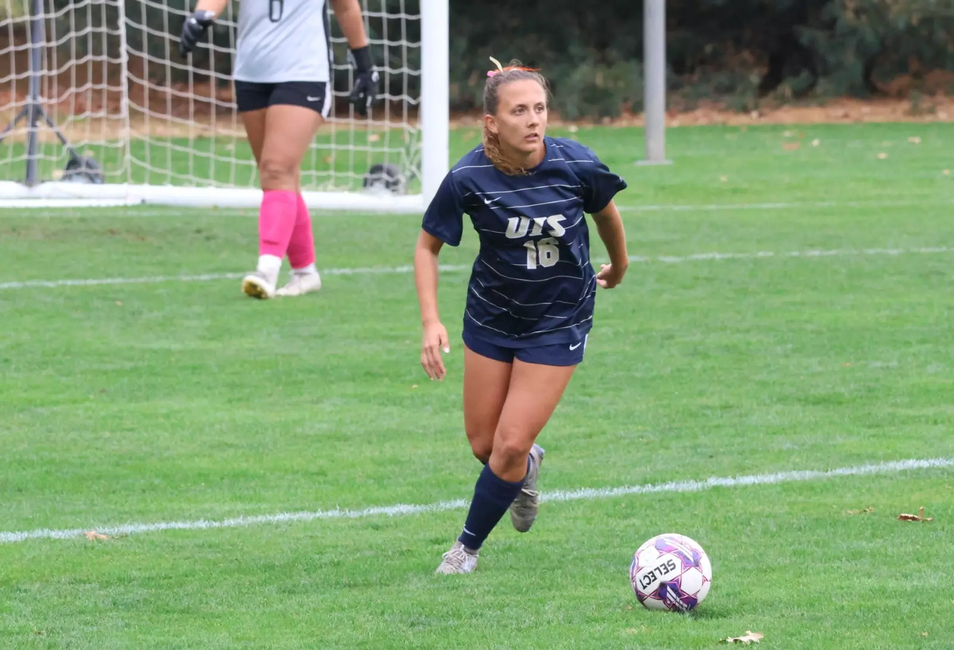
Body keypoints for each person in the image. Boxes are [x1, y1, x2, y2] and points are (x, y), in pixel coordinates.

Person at [413, 58, 630, 574]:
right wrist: (430, 320)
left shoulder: (576, 164)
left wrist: (620, 265)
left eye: (540, 108)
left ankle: (464, 550)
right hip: (491, 318)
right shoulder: (467, 176)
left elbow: (607, 215)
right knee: (486, 446)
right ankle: (526, 466)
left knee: (507, 445)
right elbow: (427, 248)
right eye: (519, 111)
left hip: (558, 320)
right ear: (493, 122)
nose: (533, 120)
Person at [177, 0, 380, 298]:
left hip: (304, 74)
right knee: (279, 179)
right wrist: (201, 16)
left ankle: (266, 271)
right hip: (251, 73)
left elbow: (346, 7)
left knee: (276, 170)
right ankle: (305, 272)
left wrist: (365, 65)